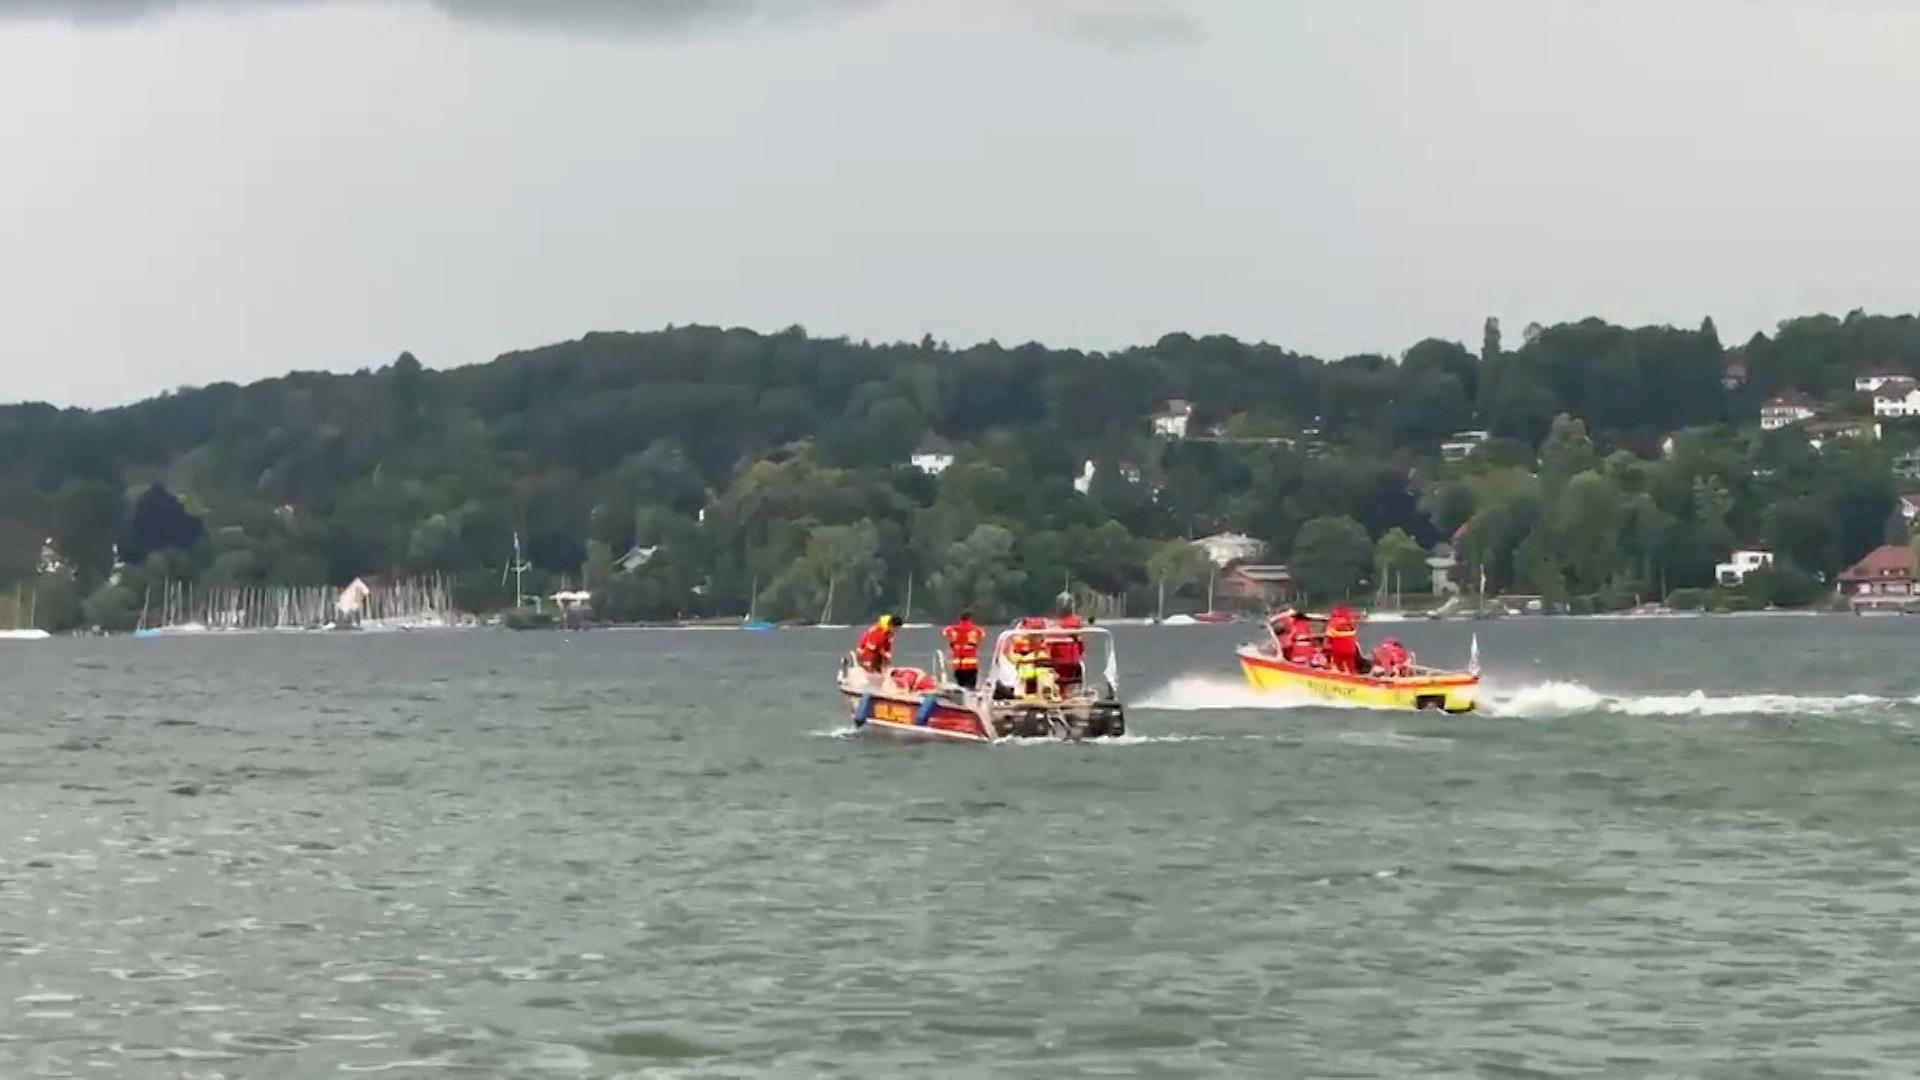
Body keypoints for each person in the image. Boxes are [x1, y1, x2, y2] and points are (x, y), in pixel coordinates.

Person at [1046, 599, 1085, 692]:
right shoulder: (1074, 627)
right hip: (1071, 664)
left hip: (1058, 665)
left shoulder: (1054, 630)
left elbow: (1048, 652)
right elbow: (1081, 649)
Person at [941, 610, 986, 690]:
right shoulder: (976, 629)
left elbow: (944, 632)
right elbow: (982, 634)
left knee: (961, 687)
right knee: (971, 687)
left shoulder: (952, 629)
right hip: (970, 663)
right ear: (970, 619)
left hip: (958, 663)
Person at [1325, 606, 1360, 673]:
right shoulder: (1350, 623)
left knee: (1338, 669)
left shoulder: (1333, 622)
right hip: (1351, 651)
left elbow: (1325, 643)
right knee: (1351, 669)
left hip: (1338, 651)